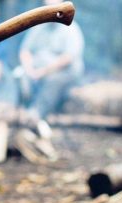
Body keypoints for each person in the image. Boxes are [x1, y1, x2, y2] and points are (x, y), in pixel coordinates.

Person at [16, 0, 85, 129]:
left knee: (53, 80)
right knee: (20, 75)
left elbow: (68, 58)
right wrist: (29, 69)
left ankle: (35, 114)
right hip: (36, 70)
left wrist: (43, 71)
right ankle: (19, 112)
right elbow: (25, 51)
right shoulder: (38, 27)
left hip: (62, 72)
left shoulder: (71, 28)